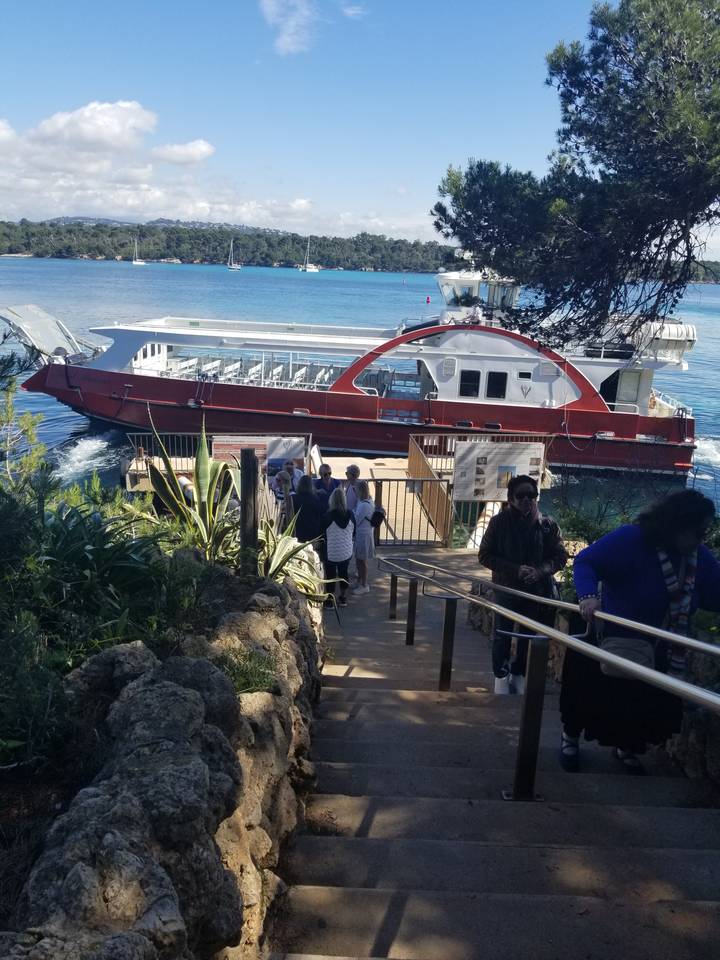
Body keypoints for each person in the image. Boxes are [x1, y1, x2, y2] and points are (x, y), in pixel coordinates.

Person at [560, 489, 720, 774]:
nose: (701, 539)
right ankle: (569, 739)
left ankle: (627, 746)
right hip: (611, 639)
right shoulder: (631, 539)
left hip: (658, 646)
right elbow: (586, 561)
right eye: (698, 532)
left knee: (638, 704)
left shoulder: (698, 557)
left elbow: (714, 593)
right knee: (589, 695)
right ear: (677, 525)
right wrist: (587, 595)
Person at [478, 475, 568, 695]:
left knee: (528, 636)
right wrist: (515, 569)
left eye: (531, 495)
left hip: (535, 591)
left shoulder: (547, 525)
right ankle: (501, 677)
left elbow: (560, 556)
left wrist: (540, 571)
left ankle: (519, 675)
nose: (527, 499)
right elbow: (485, 555)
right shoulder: (498, 523)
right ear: (511, 498)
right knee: (502, 635)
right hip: (507, 589)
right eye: (521, 495)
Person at [321, 487, 356, 607]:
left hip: (331, 553)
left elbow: (321, 534)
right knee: (343, 573)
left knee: (330, 575)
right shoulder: (351, 514)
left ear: (332, 500)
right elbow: (354, 532)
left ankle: (330, 600)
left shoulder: (327, 516)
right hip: (346, 551)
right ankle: (343, 597)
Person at [352, 479, 375, 594]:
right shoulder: (367, 501)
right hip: (362, 534)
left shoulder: (364, 505)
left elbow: (356, 520)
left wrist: (351, 513)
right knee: (359, 559)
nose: (354, 491)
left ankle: (364, 585)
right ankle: (359, 582)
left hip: (363, 535)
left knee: (362, 561)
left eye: (355, 489)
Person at [290, 475, 325, 545]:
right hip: (312, 534)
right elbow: (319, 516)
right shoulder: (316, 499)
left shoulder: (293, 498)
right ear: (311, 486)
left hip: (297, 533)